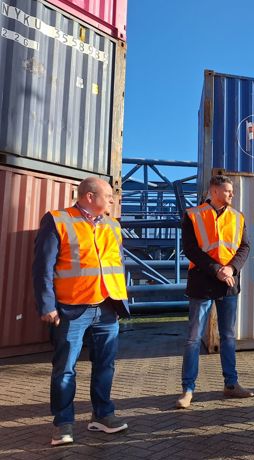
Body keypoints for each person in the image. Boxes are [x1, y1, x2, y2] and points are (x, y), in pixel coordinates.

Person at [33, 177, 130, 447]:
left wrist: (119, 300)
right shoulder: (58, 220)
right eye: (108, 196)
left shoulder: (113, 225)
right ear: (89, 196)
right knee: (65, 368)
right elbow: (42, 267)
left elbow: (118, 263)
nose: (112, 200)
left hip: (107, 307)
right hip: (72, 309)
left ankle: (103, 415)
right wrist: (47, 305)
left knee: (105, 365)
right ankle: (63, 423)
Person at [176, 175, 253, 409]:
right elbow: (190, 249)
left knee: (228, 336)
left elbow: (244, 247)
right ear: (214, 191)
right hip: (202, 282)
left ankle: (231, 384)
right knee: (193, 338)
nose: (232, 194)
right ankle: (188, 389)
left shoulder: (238, 217)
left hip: (228, 283)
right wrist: (217, 269)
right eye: (228, 191)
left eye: (232, 191)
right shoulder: (192, 215)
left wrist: (231, 268)